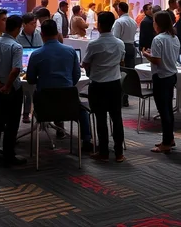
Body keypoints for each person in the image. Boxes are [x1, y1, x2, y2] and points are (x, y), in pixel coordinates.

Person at [26, 20, 92, 150]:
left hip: (44, 105)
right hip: (68, 103)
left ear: (42, 35)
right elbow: (76, 75)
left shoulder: (36, 54)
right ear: (57, 33)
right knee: (82, 110)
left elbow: (31, 80)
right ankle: (86, 140)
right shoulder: (71, 51)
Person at [82, 11, 126, 163]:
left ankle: (104, 152)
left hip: (98, 86)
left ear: (99, 25)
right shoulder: (120, 43)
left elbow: (85, 63)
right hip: (114, 84)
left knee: (101, 119)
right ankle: (119, 153)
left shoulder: (94, 44)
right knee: (117, 118)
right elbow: (121, 61)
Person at [0, 15, 26, 167]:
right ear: (18, 29)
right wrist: (7, 86)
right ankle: (9, 155)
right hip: (12, 89)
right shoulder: (16, 47)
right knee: (12, 123)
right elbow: (15, 70)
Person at [142, 11, 180, 153]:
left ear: (158, 23)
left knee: (164, 111)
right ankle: (169, 138)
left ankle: (166, 143)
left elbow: (157, 60)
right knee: (168, 109)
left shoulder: (158, 39)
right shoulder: (174, 37)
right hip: (171, 75)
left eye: (154, 21)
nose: (153, 24)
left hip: (161, 76)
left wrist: (146, 55)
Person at [16, 12, 43, 123]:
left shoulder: (39, 34)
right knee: (27, 89)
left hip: (38, 65)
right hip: (23, 66)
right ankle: (26, 113)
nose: (34, 26)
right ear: (24, 24)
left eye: (35, 23)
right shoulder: (18, 36)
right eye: (32, 23)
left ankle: (40, 114)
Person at [112, 2, 138, 107]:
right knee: (128, 74)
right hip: (131, 47)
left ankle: (120, 98)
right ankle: (125, 98)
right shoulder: (133, 21)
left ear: (120, 9)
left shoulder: (119, 22)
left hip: (122, 48)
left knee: (120, 73)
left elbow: (116, 38)